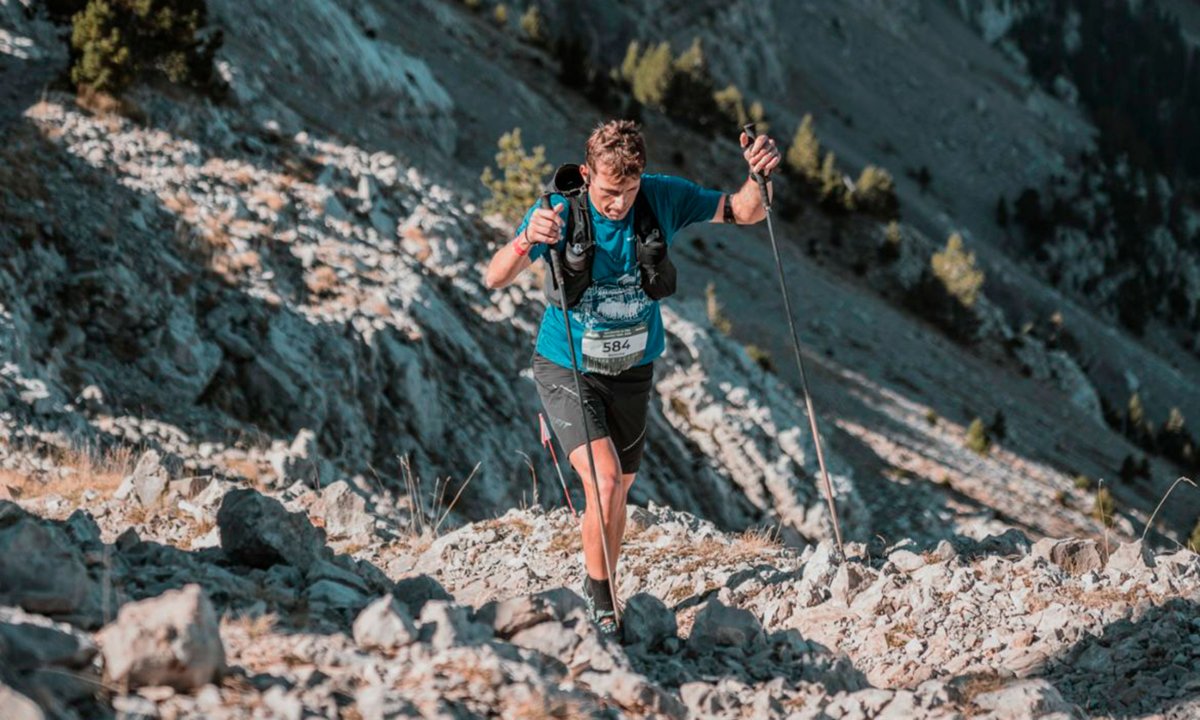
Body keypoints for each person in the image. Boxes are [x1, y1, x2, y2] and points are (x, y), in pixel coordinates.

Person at [484, 119, 780, 634]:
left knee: (619, 489)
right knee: (601, 483)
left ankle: (604, 583)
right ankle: (601, 610)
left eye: (627, 191)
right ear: (585, 174)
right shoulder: (557, 211)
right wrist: (525, 238)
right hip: (566, 366)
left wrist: (758, 176)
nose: (617, 203)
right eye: (606, 192)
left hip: (632, 373)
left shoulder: (662, 197)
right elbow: (493, 276)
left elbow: (746, 211)